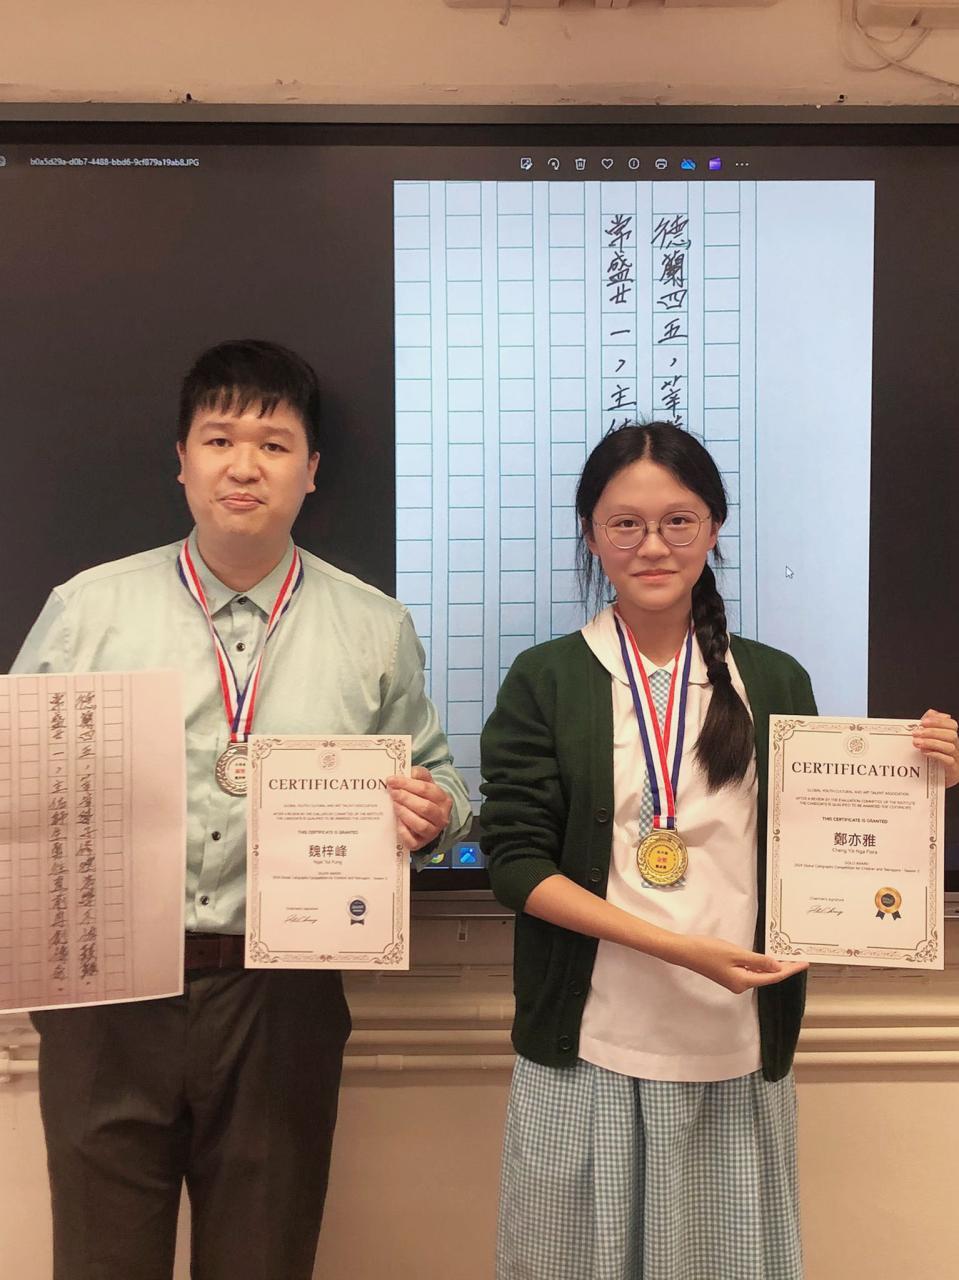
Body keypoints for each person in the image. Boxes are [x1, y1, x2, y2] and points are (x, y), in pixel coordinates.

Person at [13, 338, 471, 1280]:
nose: (244, 465)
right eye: (219, 440)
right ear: (181, 460)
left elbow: (441, 784)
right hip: (106, 994)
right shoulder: (88, 609)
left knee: (264, 1260)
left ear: (312, 470)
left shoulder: (372, 626)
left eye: (273, 444)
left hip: (283, 995)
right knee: (100, 1263)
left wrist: (432, 813)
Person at [479, 422, 958, 1280]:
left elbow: (820, 841)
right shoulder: (545, 679)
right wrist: (677, 947)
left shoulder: (773, 680)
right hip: (586, 1050)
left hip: (732, 1050)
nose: (652, 545)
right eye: (624, 523)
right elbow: (515, 864)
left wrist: (918, 784)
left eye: (678, 520)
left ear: (714, 528)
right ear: (590, 533)